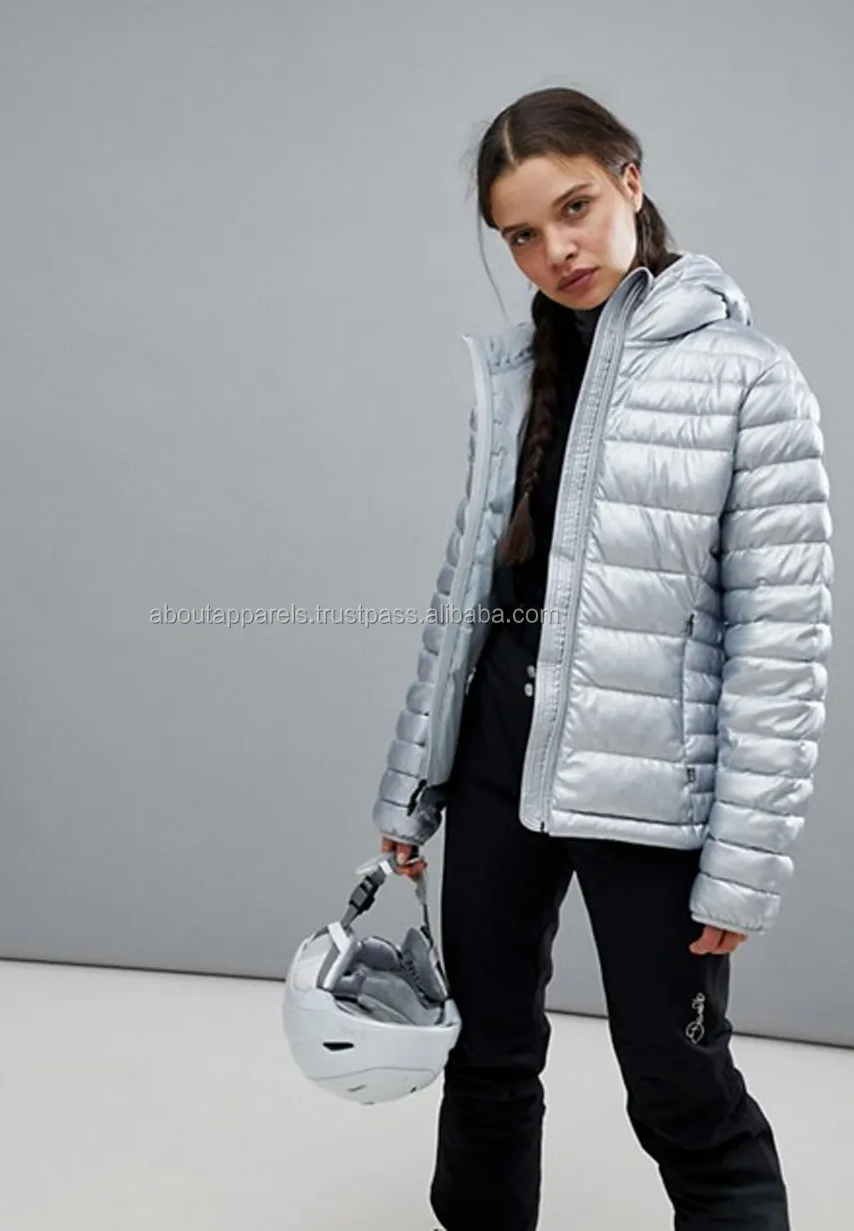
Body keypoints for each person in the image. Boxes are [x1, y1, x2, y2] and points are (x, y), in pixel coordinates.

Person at [374, 87, 832, 1231]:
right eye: (521, 234)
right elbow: (467, 593)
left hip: (650, 796)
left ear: (629, 178)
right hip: (495, 765)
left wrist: (744, 861)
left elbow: (780, 642)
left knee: (680, 1082)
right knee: (483, 1053)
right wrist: (414, 783)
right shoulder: (511, 373)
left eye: (573, 207)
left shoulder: (747, 377)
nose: (555, 252)